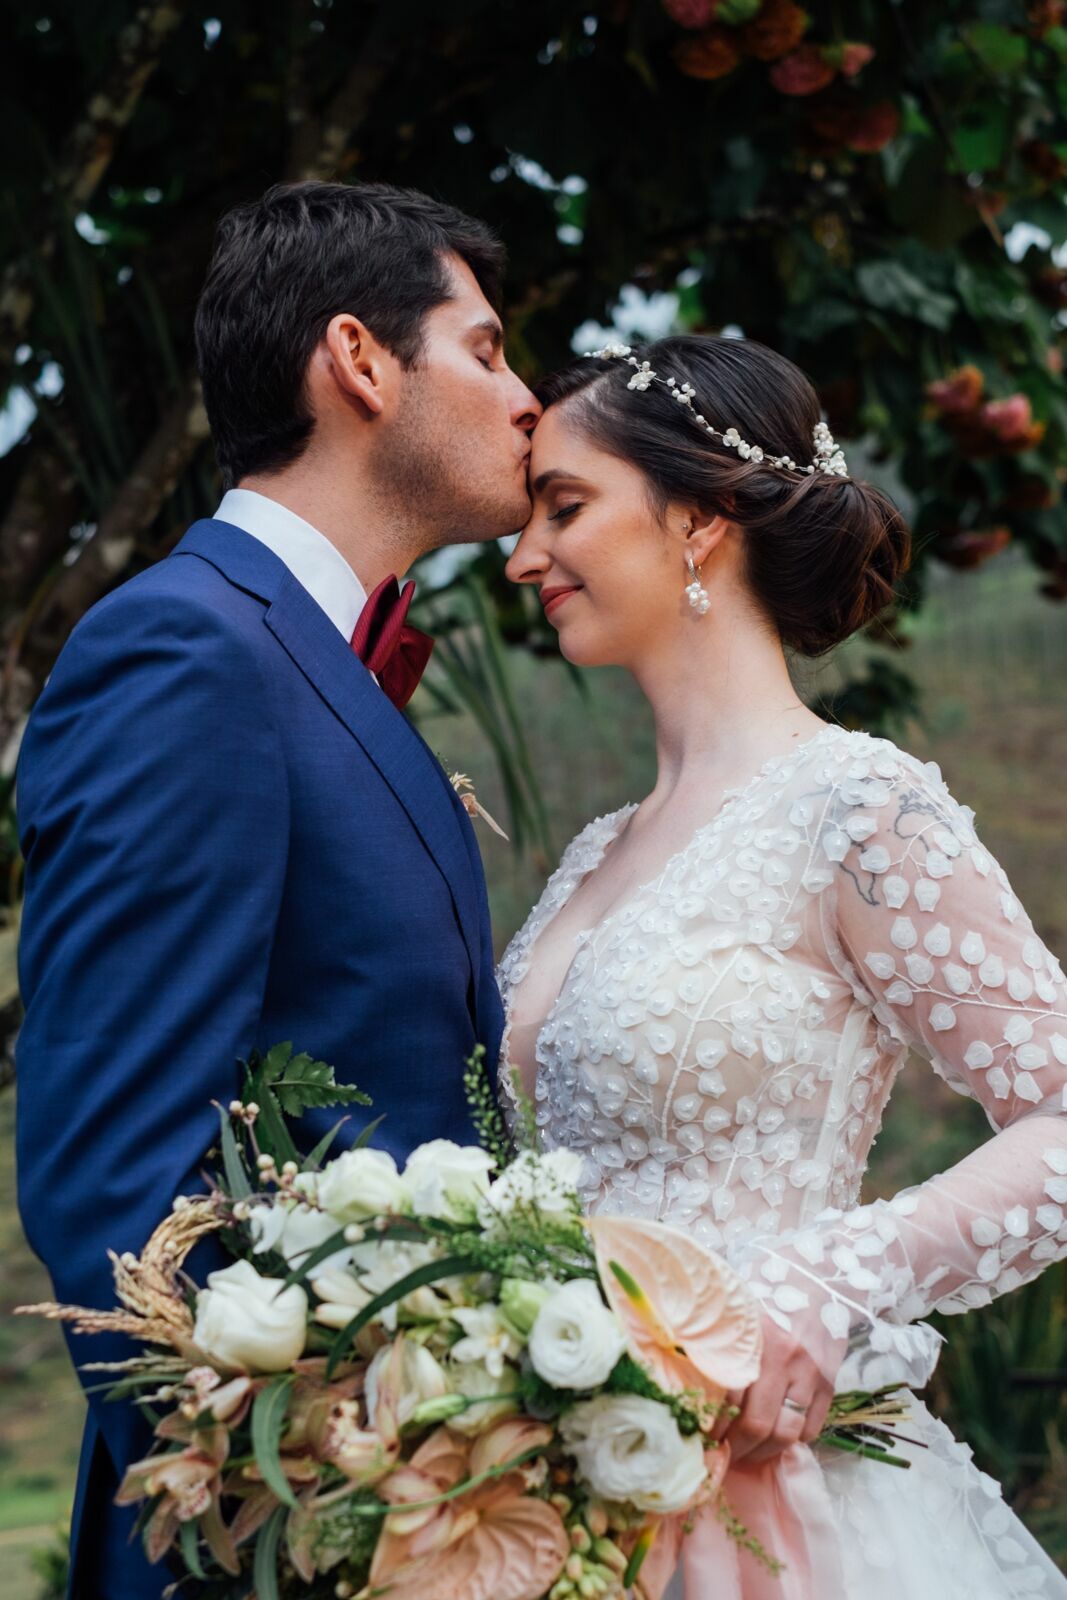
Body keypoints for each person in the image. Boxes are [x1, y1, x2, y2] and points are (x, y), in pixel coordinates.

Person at [15, 179, 539, 1600]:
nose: (527, 403)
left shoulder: (314, 661)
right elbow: (115, 1173)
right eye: (487, 350)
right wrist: (304, 1511)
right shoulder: (186, 653)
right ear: (359, 359)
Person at [500, 334, 1067, 1599]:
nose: (522, 554)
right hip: (567, 1490)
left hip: (780, 1482)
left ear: (697, 520)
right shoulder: (593, 852)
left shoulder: (858, 807)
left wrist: (831, 1277)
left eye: (563, 507)